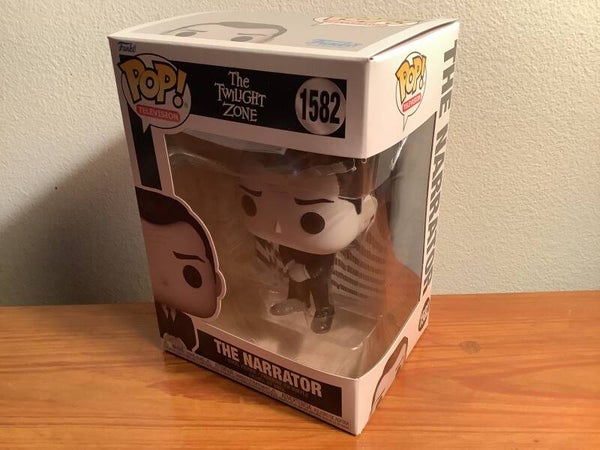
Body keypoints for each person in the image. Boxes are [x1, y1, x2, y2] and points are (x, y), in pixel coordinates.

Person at [238, 151, 377, 333]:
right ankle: (297, 300)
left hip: (315, 272)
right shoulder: (286, 234)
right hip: (295, 265)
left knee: (319, 289)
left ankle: (324, 310)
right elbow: (284, 249)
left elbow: (324, 263)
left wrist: (304, 271)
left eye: (311, 220)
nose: (278, 228)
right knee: (295, 284)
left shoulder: (325, 243)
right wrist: (290, 264)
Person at [136, 186, 224, 350]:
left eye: (191, 274)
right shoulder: (156, 314)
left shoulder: (187, 321)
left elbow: (192, 343)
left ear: (217, 283)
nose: (164, 279)